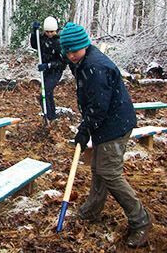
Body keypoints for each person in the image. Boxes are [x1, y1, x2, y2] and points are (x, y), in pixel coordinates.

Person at [59, 22, 152, 248]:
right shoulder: (82, 59)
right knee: (99, 168)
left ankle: (141, 220)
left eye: (74, 50)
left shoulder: (95, 68)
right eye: (67, 51)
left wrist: (84, 129)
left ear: (84, 45)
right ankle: (92, 209)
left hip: (114, 124)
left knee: (109, 172)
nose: (71, 55)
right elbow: (94, 103)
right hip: (106, 122)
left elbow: (98, 106)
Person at [30, 16, 66, 121]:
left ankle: (49, 117)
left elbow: (63, 62)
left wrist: (49, 65)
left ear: (55, 31)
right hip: (45, 71)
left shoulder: (59, 42)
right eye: (47, 32)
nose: (49, 34)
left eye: (52, 32)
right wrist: (34, 32)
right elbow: (34, 44)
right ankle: (51, 116)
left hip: (55, 71)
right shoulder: (42, 38)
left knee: (45, 93)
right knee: (48, 94)